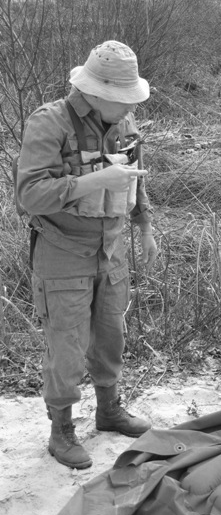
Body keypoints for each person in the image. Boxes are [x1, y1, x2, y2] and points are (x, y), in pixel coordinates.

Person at [17, 41, 158, 469]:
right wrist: (95, 180)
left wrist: (145, 227)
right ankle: (61, 430)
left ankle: (109, 410)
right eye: (124, 97)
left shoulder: (123, 120)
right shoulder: (50, 122)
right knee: (67, 346)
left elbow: (133, 178)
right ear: (96, 92)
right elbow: (29, 195)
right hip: (62, 252)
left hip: (110, 249)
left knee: (111, 336)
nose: (131, 106)